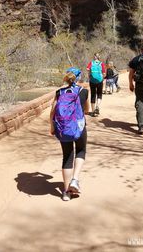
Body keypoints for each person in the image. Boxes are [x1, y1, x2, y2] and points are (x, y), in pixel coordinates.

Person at [50, 67, 89, 201]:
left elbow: (53, 111)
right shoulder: (83, 91)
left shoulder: (59, 92)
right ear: (78, 78)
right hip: (79, 127)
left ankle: (66, 192)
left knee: (67, 156)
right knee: (81, 151)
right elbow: (87, 110)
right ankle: (75, 180)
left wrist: (52, 127)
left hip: (63, 128)